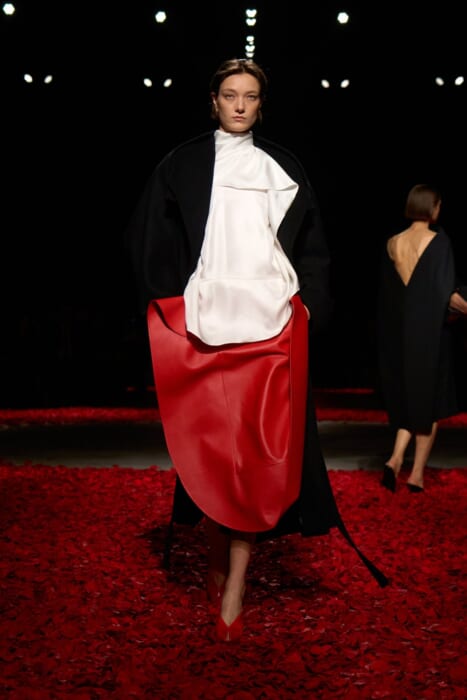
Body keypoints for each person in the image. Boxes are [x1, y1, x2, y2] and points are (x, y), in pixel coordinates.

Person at [126, 57, 388, 642]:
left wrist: (311, 306)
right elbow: (148, 237)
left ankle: (235, 588)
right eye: (229, 94)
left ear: (261, 104)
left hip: (271, 327)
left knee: (254, 460)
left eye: (249, 96)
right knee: (213, 459)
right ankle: (218, 568)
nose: (240, 105)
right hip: (203, 326)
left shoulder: (283, 166)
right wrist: (167, 301)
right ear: (213, 100)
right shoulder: (182, 164)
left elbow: (314, 246)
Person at [378, 183, 467, 494]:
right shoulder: (439, 242)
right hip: (429, 333)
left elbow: (391, 296)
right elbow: (445, 293)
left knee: (409, 399)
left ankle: (395, 459)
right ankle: (416, 474)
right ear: (432, 207)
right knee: (429, 403)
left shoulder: (393, 243)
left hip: (400, 333)